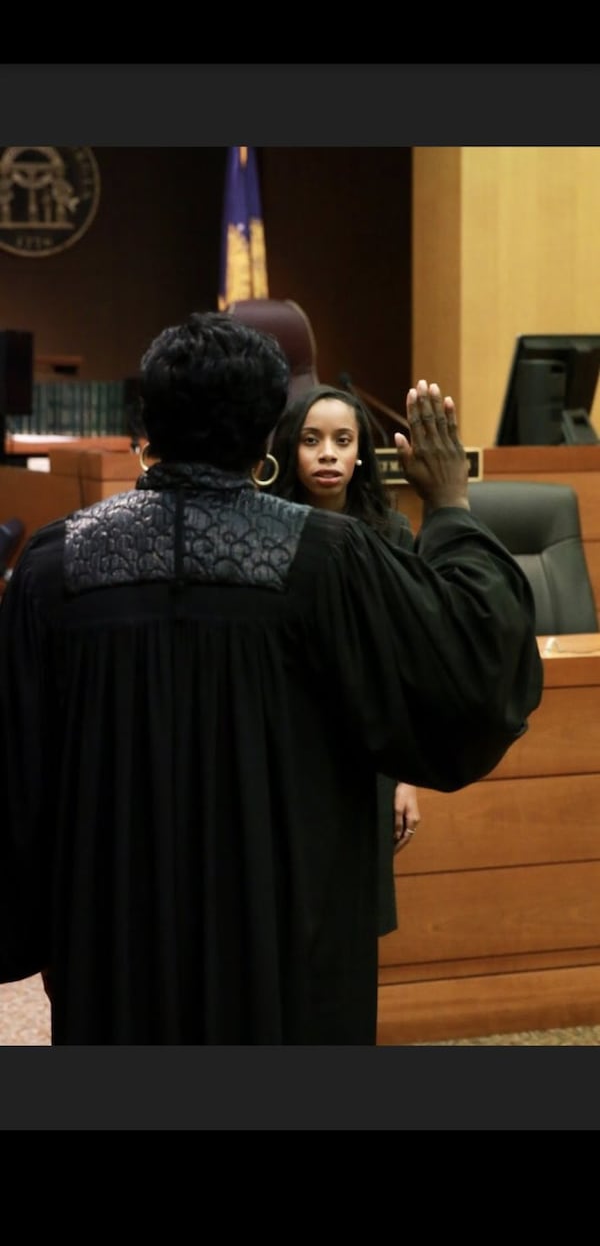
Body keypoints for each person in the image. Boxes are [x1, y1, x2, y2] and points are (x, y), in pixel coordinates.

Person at [0, 311, 543, 1046]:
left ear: (146, 426)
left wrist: (40, 930)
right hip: (291, 936)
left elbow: (18, 778)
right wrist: (448, 505)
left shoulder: (54, 566)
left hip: (114, 939)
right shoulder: (331, 558)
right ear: (268, 438)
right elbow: (472, 669)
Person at [267, 384, 421, 938]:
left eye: (342, 440)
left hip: (366, 749)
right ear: (290, 450)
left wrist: (405, 778)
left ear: (361, 455)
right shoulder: (265, 532)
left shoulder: (391, 534)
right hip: (284, 744)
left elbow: (404, 664)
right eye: (311, 440)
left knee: (353, 918)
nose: (327, 453)